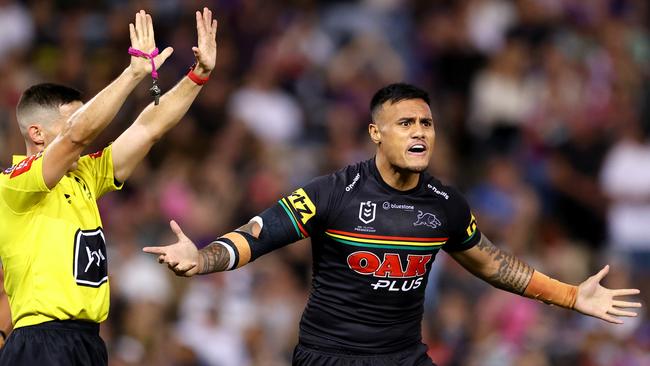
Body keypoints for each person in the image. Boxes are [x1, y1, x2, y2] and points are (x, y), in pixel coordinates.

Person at [145, 83, 642, 366]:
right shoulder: (331, 193)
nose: (420, 132)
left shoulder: (445, 204)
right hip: (330, 358)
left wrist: (570, 296)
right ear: (375, 133)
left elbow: (493, 264)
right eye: (406, 123)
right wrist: (204, 257)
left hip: (404, 358)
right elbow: (258, 235)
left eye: (427, 124)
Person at [0, 8, 217, 366]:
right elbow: (76, 135)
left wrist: (198, 76)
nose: (89, 124)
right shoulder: (14, 183)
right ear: (36, 133)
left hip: (88, 342)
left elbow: (148, 128)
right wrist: (133, 74)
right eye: (76, 115)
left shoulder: (84, 174)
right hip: (41, 341)